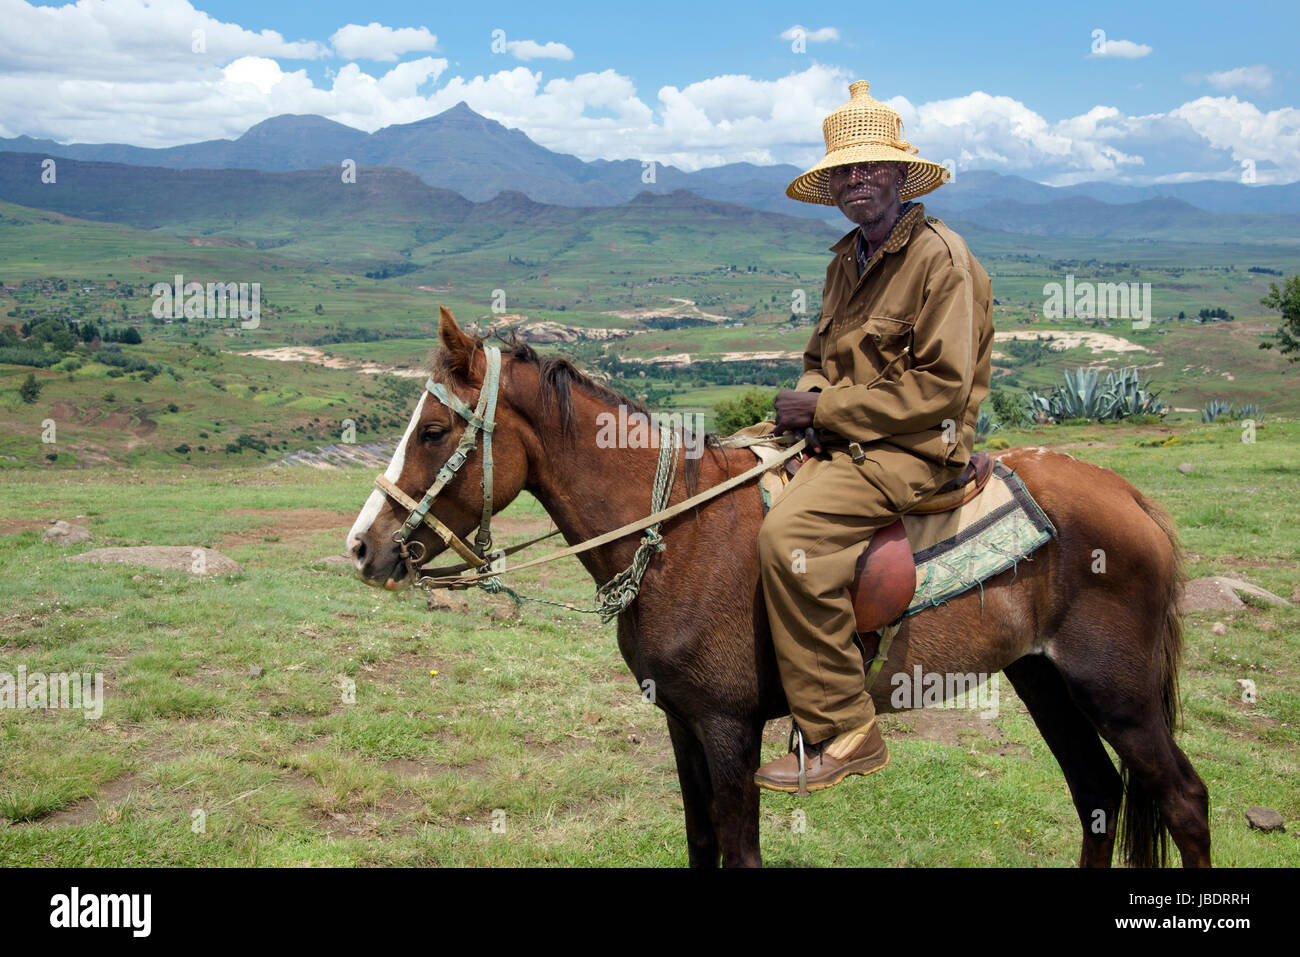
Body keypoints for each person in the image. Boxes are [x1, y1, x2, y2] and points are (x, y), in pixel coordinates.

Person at [754, 81, 994, 793]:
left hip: (916, 447)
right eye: (843, 171)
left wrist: (823, 415)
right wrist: (809, 400)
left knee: (788, 535)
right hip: (850, 434)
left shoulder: (940, 260)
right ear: (831, 185)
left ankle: (843, 727)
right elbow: (821, 360)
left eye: (870, 166)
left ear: (897, 174)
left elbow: (938, 389)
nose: (856, 179)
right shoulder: (846, 260)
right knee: (728, 475)